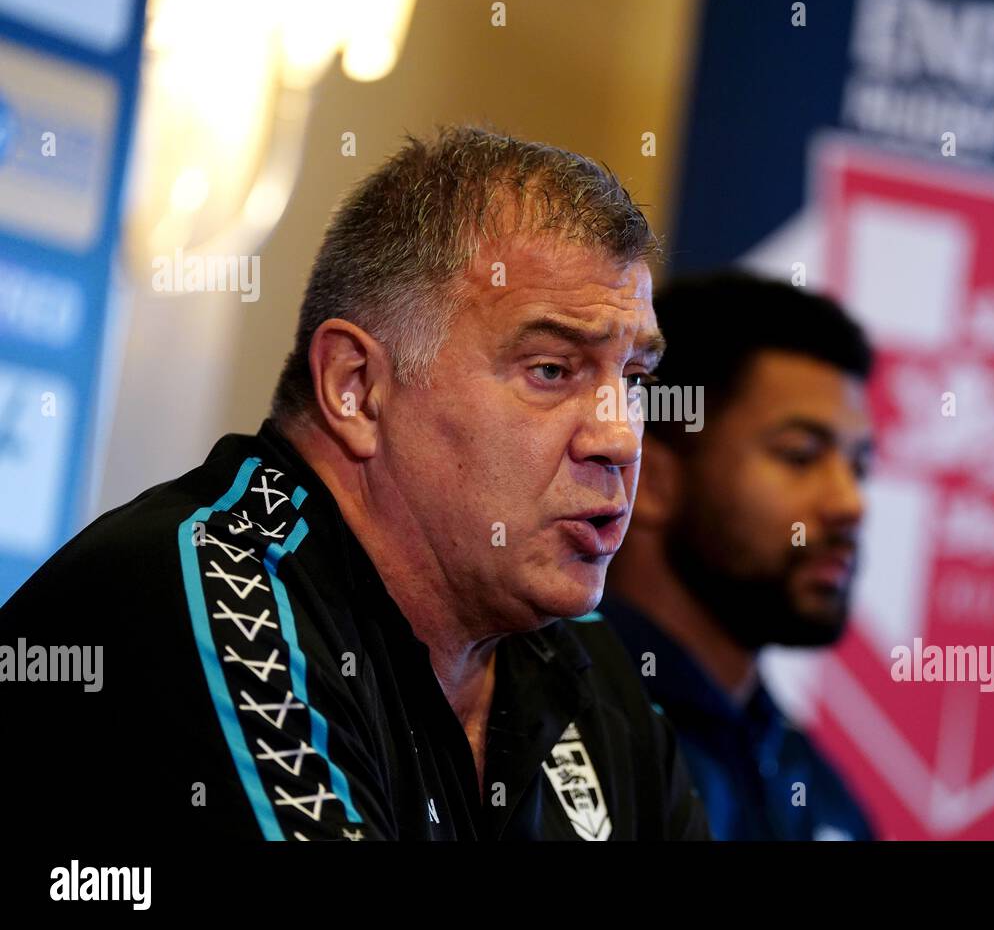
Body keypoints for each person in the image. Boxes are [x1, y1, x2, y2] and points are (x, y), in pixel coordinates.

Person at [0, 126, 709, 841]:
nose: (619, 438)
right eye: (552, 371)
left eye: (635, 379)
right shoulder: (210, 597)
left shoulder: (589, 667)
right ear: (356, 387)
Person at [600, 271, 877, 840]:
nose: (850, 504)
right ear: (648, 478)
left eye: (859, 467)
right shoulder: (537, 722)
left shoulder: (819, 791)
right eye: (800, 455)